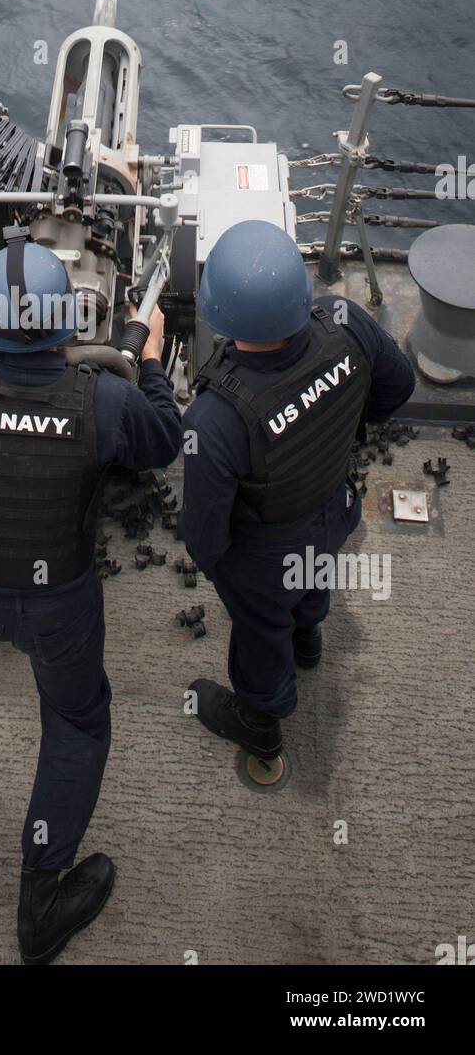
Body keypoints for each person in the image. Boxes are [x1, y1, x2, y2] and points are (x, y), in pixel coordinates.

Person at [0, 233, 182, 963]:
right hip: (57, 614)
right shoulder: (105, 400)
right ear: (65, 320)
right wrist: (144, 360)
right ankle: (43, 895)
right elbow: (164, 440)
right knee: (79, 724)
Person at [179, 219, 416, 759]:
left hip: (268, 552)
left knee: (261, 624)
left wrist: (233, 576)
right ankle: (307, 638)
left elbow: (205, 539)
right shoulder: (346, 320)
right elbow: (398, 385)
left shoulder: (213, 420)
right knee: (313, 568)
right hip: (336, 507)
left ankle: (261, 718)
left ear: (218, 312)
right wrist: (339, 433)